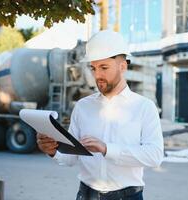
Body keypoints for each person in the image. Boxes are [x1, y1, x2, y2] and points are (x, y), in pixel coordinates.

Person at [37, 30, 164, 200]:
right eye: (93, 68)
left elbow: (154, 156)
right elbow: (71, 157)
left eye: (104, 68)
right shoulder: (82, 107)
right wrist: (52, 151)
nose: (97, 75)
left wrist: (107, 149)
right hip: (86, 194)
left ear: (123, 66)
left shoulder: (144, 107)